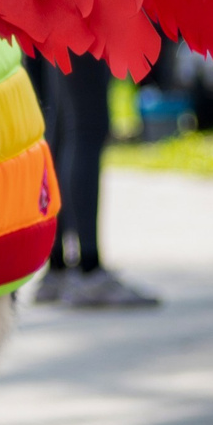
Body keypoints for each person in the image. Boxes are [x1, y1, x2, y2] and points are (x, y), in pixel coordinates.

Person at [29, 55, 159, 308]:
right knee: (86, 123)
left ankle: (59, 268)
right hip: (78, 14)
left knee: (64, 121)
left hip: (47, 16)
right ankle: (88, 272)